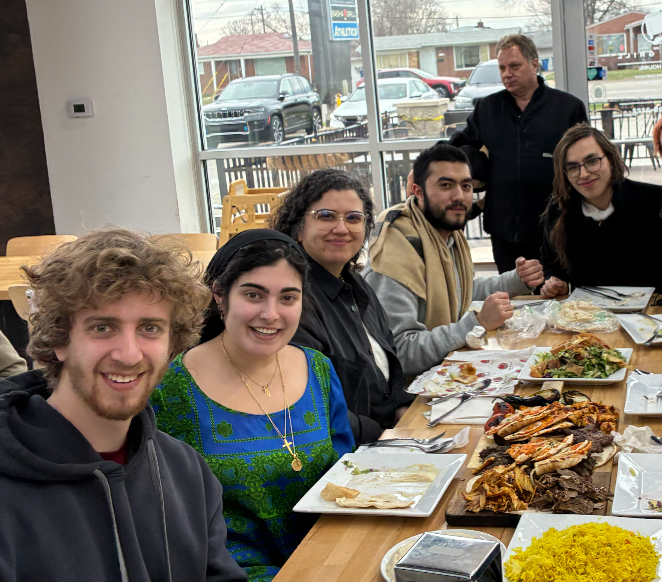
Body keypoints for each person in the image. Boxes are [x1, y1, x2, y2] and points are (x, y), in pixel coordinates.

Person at [0, 229, 246, 581]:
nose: (129, 355)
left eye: (149, 328)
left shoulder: (187, 472)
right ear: (59, 341)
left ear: (172, 345)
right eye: (102, 327)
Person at [151, 229, 353, 581]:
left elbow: (345, 477)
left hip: (332, 563)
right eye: (253, 295)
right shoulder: (170, 389)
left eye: (288, 297)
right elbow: (166, 525)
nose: (270, 314)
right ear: (219, 295)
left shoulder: (318, 369)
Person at [364, 143, 545, 376]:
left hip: (444, 375)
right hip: (410, 398)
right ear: (418, 192)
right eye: (446, 185)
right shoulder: (398, 250)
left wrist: (517, 280)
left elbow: (462, 289)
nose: (459, 196)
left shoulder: (445, 236)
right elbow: (401, 353)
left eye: (466, 185)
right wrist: (476, 324)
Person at [272, 169, 413, 445]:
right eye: (326, 216)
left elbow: (388, 371)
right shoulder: (292, 299)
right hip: (346, 453)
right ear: (298, 228)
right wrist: (384, 436)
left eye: (353, 218)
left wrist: (405, 409)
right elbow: (315, 406)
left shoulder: (358, 286)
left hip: (390, 437)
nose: (341, 228)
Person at [450, 33, 589, 272]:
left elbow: (588, 157)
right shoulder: (487, 108)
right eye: (502, 67)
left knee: (555, 296)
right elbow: (458, 146)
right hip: (503, 227)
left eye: (514, 66)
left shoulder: (567, 108)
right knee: (512, 299)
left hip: (555, 225)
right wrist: (424, 169)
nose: (507, 73)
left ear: (535, 64)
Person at [538, 123, 662, 306]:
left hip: (646, 316)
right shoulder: (559, 211)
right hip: (584, 319)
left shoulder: (655, 200)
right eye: (572, 167)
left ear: (611, 159)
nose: (584, 174)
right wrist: (553, 282)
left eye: (592, 161)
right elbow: (549, 265)